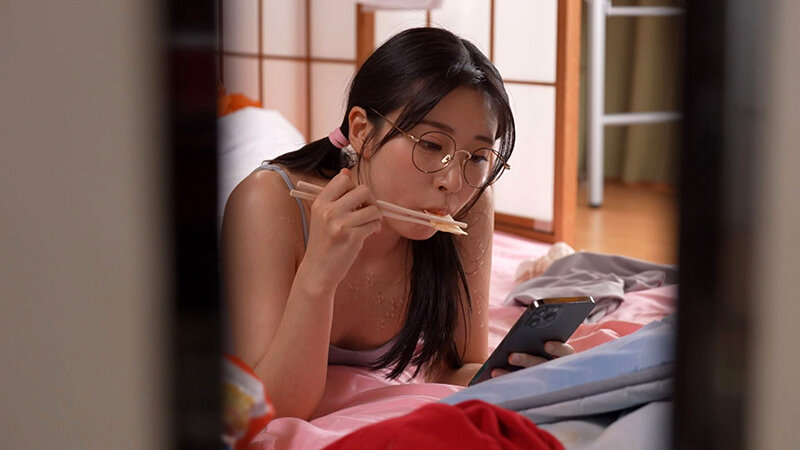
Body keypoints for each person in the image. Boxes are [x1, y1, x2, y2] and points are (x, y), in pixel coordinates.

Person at [220, 27, 573, 420]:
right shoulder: (268, 203)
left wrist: (516, 376)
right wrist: (318, 275)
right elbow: (271, 410)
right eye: (431, 144)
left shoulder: (470, 205)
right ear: (361, 131)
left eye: (477, 156)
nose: (452, 182)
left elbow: (456, 368)